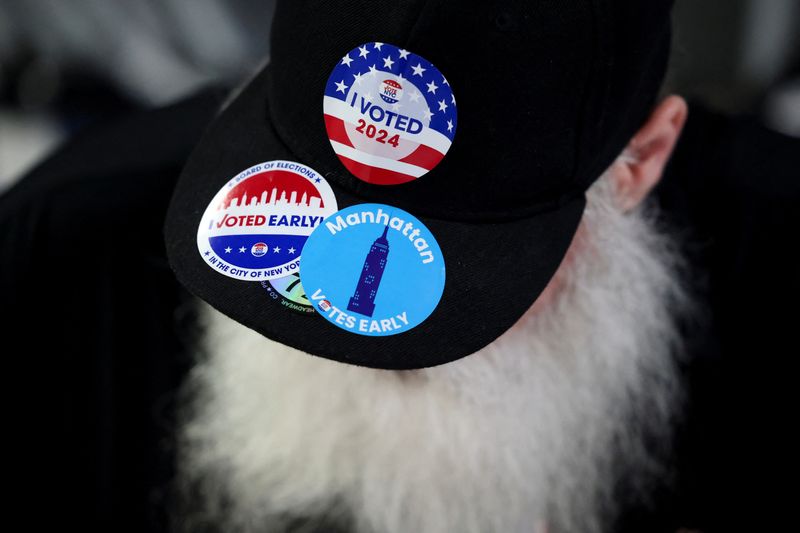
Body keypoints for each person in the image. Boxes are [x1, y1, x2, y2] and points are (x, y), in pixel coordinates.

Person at [1, 1, 798, 532]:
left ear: (640, 161)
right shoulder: (61, 254)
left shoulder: (772, 263)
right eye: (325, 216)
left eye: (464, 252)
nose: (354, 317)